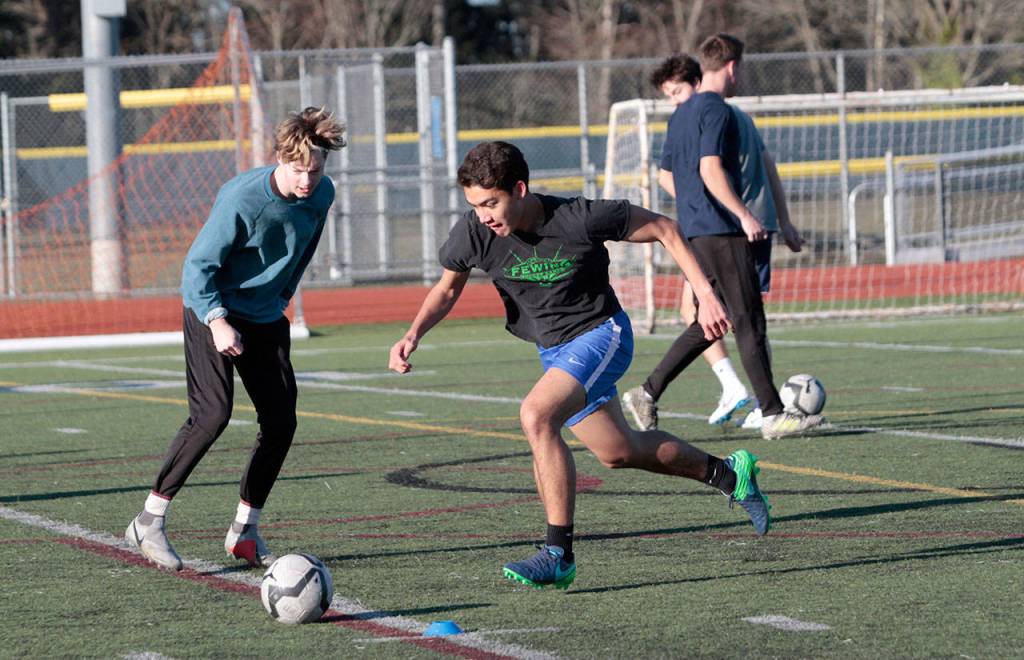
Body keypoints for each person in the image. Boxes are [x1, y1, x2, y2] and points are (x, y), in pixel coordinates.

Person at [388, 141, 772, 590]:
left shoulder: (579, 217)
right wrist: (413, 334)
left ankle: (558, 553)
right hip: (555, 350)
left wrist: (705, 296)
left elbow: (666, 228)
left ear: (520, 189)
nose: (483, 215)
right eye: (474, 205)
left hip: (602, 334)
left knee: (536, 416)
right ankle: (729, 473)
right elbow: (448, 288)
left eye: (491, 203)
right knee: (618, 451)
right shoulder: (474, 232)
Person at [125, 107, 347, 571]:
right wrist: (217, 320)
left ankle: (245, 531)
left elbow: (305, 246)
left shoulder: (323, 192)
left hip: (264, 315)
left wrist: (283, 294)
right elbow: (196, 269)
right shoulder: (244, 200)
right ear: (280, 158)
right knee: (212, 415)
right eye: (298, 170)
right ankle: (149, 519)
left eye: (315, 170)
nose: (307, 180)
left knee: (281, 422)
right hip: (213, 308)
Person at [620, 34, 822, 441]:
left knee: (712, 321)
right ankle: (773, 414)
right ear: (732, 67)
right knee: (749, 321)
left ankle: (647, 392)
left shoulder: (680, 115)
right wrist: (744, 215)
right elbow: (710, 169)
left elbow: (671, 174)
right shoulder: (718, 111)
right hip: (721, 228)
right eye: (740, 70)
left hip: (697, 230)